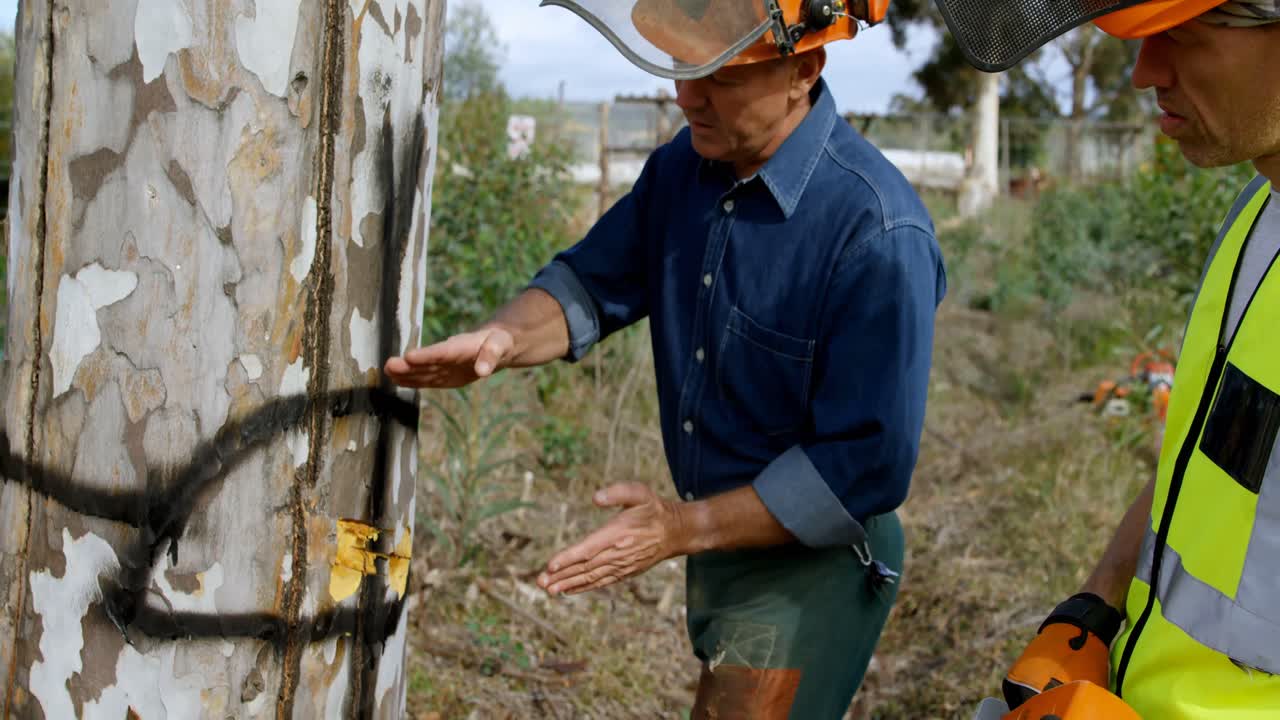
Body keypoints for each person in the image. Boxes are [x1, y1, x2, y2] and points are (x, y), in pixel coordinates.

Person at [387, 1, 946, 715]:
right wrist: (504, 337)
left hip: (814, 566)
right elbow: (593, 281)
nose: (686, 94)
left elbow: (861, 467)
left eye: (719, 73)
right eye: (683, 65)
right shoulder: (684, 171)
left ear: (803, 70)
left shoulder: (876, 231)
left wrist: (676, 529)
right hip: (721, 544)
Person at [930, 0, 1280, 716]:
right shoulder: (1258, 215)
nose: (1145, 73)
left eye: (1178, 38)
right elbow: (1211, 461)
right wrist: (1094, 604)